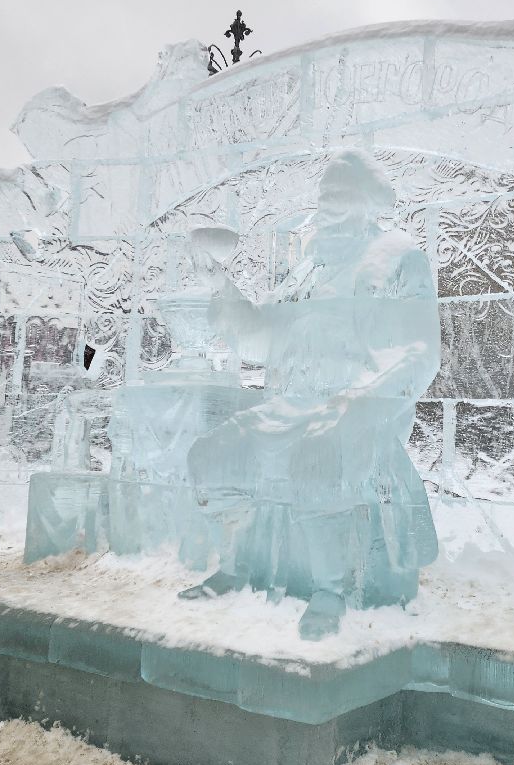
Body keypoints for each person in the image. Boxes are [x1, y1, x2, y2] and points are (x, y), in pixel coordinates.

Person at [182, 150, 441, 639]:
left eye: (341, 193)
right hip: (288, 407)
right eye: (324, 194)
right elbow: (260, 340)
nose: (328, 203)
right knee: (211, 457)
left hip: (357, 410)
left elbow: (421, 352)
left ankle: (330, 589)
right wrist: (221, 286)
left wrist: (359, 405)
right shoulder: (308, 265)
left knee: (315, 459)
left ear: (369, 201)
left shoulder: (398, 257)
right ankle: (238, 564)